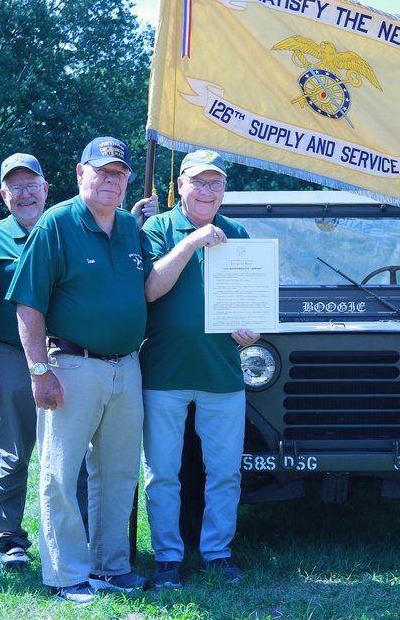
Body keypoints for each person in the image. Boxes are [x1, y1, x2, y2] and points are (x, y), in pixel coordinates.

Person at [6, 136, 149, 605]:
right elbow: (28, 303)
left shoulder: (130, 228)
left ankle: (111, 566)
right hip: (72, 364)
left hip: (126, 367)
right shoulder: (56, 224)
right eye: (102, 171)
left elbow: (147, 288)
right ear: (80, 173)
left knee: (120, 471)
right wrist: (39, 370)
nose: (111, 180)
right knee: (60, 474)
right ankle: (66, 573)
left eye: (119, 173)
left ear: (128, 181)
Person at [140, 149, 259, 589]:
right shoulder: (157, 227)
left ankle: (217, 553)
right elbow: (151, 290)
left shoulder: (239, 233)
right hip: (164, 374)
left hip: (221, 374)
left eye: (216, 183)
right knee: (162, 473)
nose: (207, 190)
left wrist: (254, 332)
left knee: (225, 471)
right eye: (199, 182)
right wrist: (191, 240)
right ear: (181, 186)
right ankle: (168, 557)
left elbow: (252, 306)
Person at [0, 153, 56, 570]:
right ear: (4, 194)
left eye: (32, 185)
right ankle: (10, 539)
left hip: (65, 354)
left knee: (69, 453)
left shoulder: (63, 228)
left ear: (46, 189)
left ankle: (66, 532)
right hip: (11, 356)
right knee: (11, 453)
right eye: (16, 186)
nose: (25, 193)